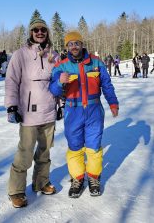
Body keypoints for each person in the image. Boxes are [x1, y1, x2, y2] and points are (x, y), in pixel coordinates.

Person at [49, 31, 119, 198]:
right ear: (67, 47)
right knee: (75, 147)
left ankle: (94, 178)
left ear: (82, 44)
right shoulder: (61, 66)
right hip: (73, 112)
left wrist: (113, 103)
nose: (74, 46)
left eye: (76, 43)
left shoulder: (96, 62)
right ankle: (78, 178)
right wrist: (60, 82)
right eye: (70, 44)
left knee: (94, 147)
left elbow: (107, 85)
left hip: (94, 110)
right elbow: (52, 89)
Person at [5, 16, 57, 208]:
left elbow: (58, 82)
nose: (40, 33)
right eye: (36, 30)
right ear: (31, 33)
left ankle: (41, 182)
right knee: (25, 153)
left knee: (44, 151)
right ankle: (17, 190)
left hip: (49, 111)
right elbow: (11, 81)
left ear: (47, 32)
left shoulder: (53, 54)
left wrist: (60, 105)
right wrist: (12, 106)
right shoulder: (20, 54)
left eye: (43, 29)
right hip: (28, 112)